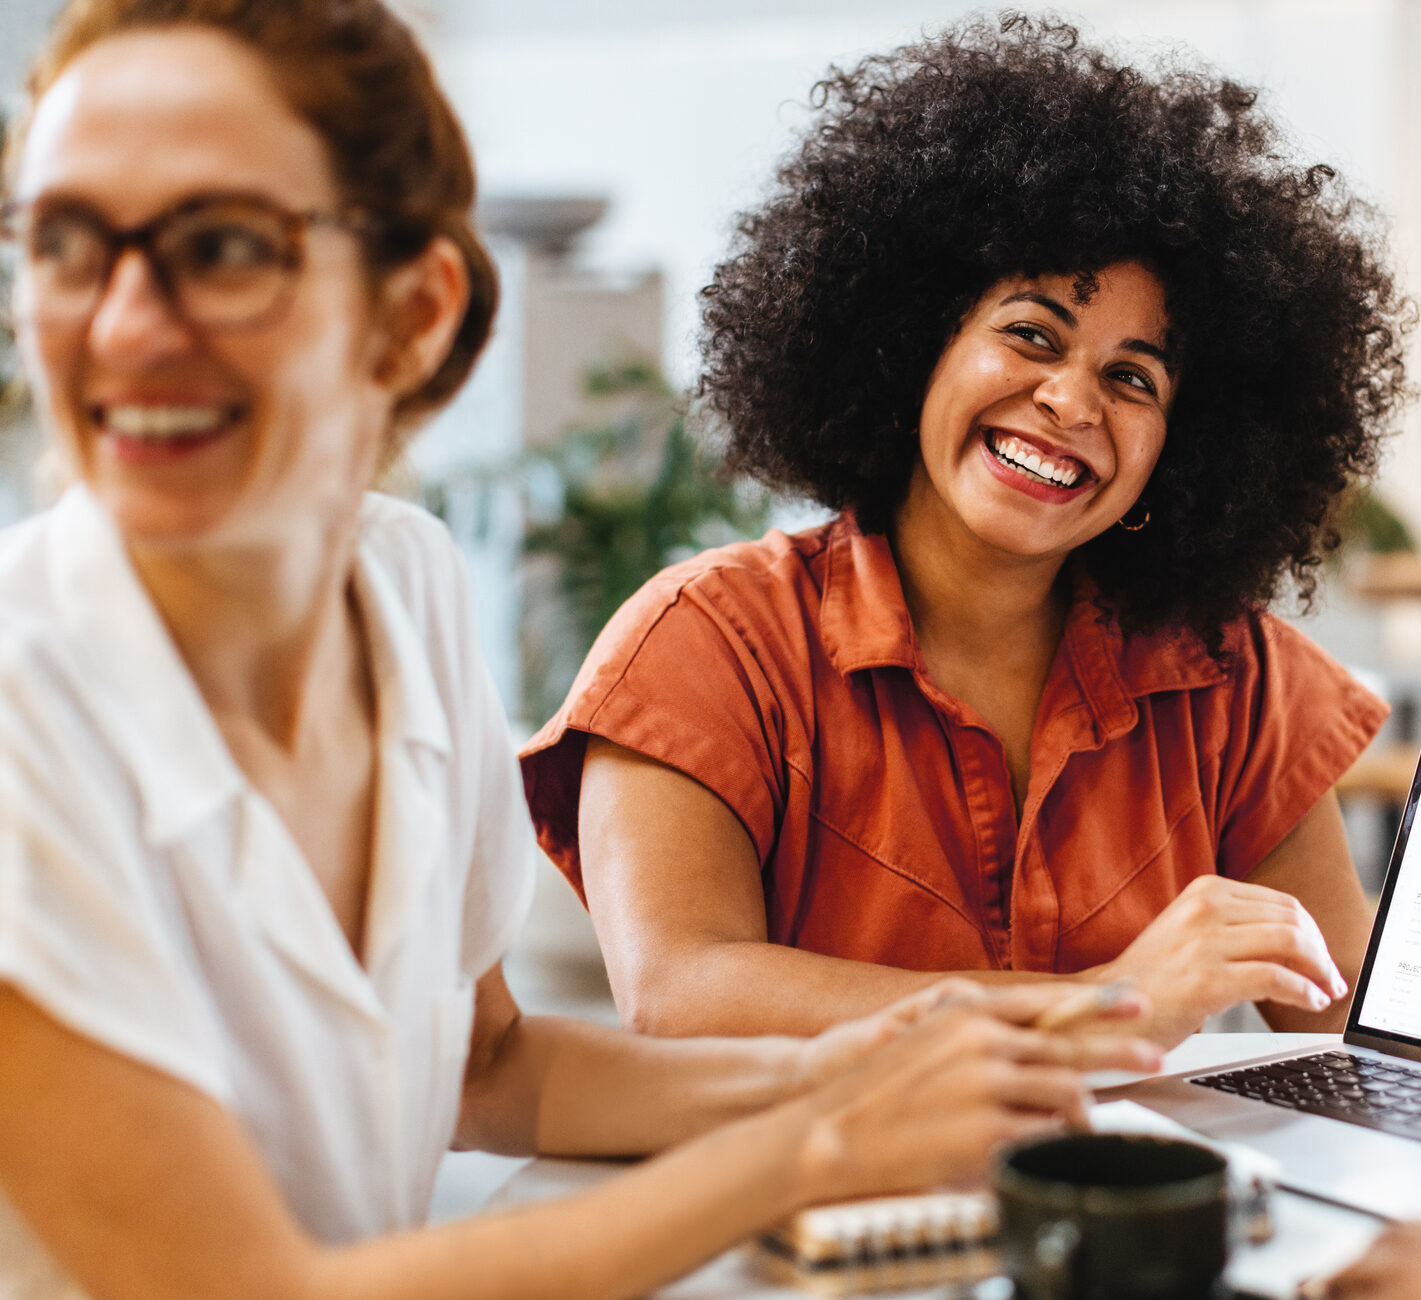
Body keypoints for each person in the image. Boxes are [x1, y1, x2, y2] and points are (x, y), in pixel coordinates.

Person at [0, 3, 1164, 1298]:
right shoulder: (22, 716)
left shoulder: (399, 587)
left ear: (413, 311)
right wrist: (816, 1144)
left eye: (217, 248)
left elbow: (488, 1068)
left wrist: (870, 1061)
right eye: (64, 243)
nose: (120, 328)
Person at [520, 15, 1411, 1050]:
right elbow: (681, 991)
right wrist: (1098, 1004)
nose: (1071, 402)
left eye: (1131, 378)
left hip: (1137, 1200)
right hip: (822, 1203)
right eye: (1029, 333)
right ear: (910, 347)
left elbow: (1348, 1010)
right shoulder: (704, 645)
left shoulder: (1229, 675)